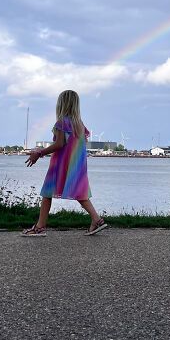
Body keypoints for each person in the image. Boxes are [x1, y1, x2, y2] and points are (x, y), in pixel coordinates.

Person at [21, 90, 107, 237]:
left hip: (60, 166)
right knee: (80, 194)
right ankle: (97, 220)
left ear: (61, 104)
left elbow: (59, 144)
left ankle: (40, 227)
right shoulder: (80, 125)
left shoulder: (62, 123)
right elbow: (78, 144)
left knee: (47, 193)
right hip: (77, 166)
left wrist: (39, 152)